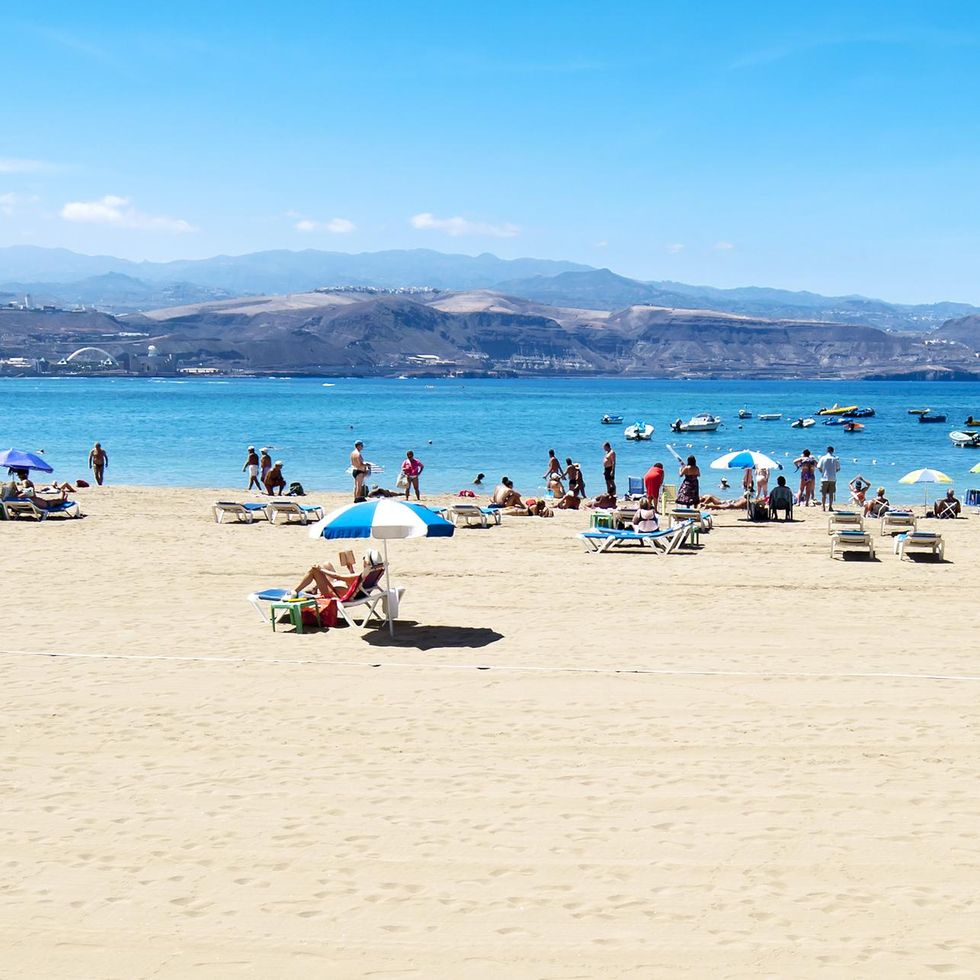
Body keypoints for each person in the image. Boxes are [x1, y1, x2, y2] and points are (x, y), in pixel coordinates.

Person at [291, 551, 383, 599]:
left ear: (366, 562)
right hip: (343, 590)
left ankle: (295, 591)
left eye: (364, 558)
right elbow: (356, 584)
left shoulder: (360, 575)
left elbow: (337, 576)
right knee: (327, 564)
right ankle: (315, 589)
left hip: (335, 595)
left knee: (314, 570)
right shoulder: (368, 574)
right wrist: (350, 569)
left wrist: (320, 569)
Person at [817, 446, 841, 512]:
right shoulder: (835, 459)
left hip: (824, 478)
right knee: (831, 493)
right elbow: (838, 468)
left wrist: (822, 472)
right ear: (833, 451)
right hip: (832, 478)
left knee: (823, 493)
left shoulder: (823, 458)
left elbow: (819, 467)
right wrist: (834, 472)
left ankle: (823, 507)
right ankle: (830, 506)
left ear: (827, 451)